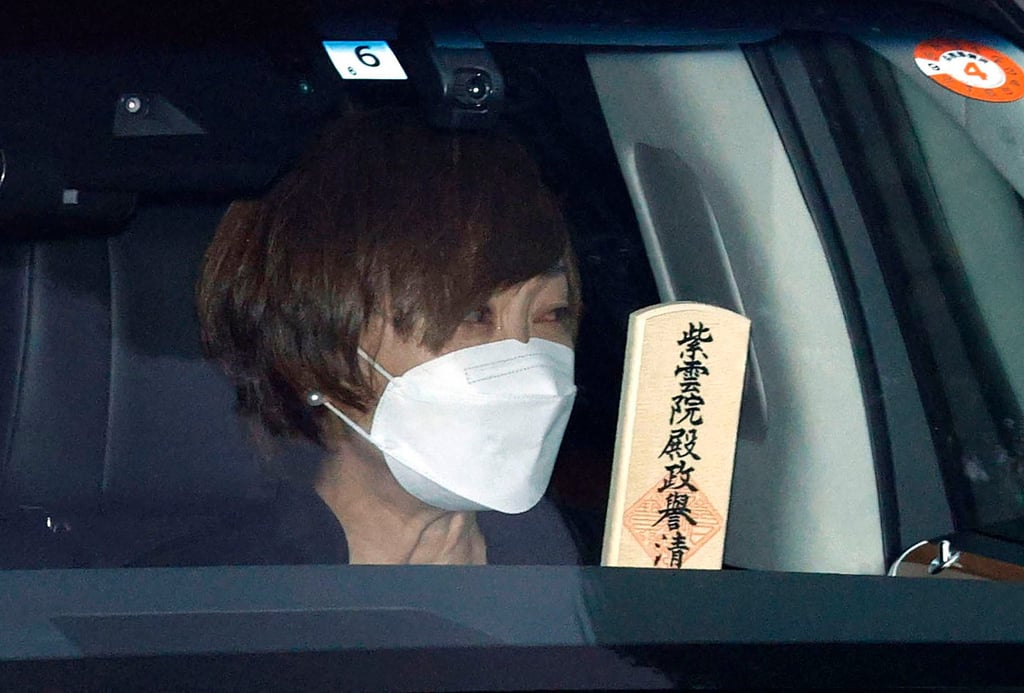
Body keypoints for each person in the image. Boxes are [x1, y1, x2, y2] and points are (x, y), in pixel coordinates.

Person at [141, 109, 584, 566]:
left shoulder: (598, 575)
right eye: (472, 315)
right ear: (319, 348)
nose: (523, 357)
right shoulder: (209, 603)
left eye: (551, 315)